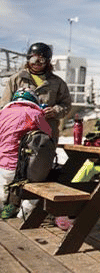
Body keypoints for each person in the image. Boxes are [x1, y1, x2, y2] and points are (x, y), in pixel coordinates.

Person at [0, 42, 72, 142]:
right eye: (33, 59)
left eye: (41, 60)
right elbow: (4, 106)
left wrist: (55, 111)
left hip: (45, 135)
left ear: (48, 61)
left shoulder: (57, 83)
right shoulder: (16, 80)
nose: (37, 63)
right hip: (18, 133)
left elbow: (66, 105)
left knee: (42, 157)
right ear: (28, 59)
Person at [0, 89, 52, 219]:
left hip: (3, 165)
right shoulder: (34, 114)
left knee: (4, 190)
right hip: (24, 167)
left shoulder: (2, 113)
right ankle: (24, 214)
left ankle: (4, 209)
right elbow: (47, 135)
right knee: (35, 187)